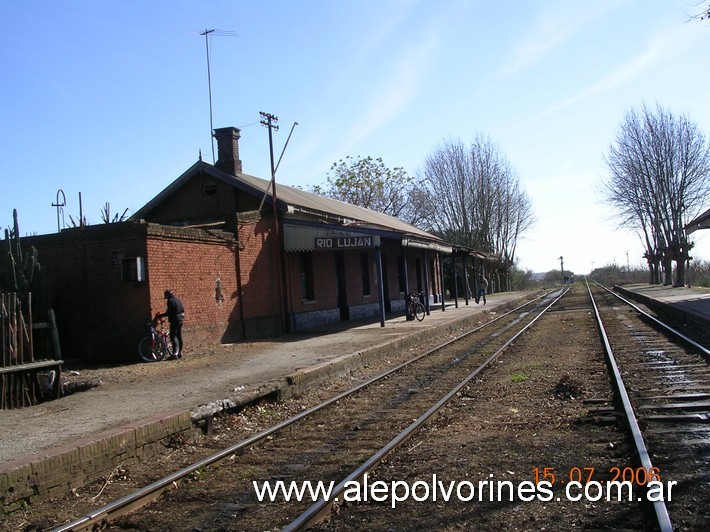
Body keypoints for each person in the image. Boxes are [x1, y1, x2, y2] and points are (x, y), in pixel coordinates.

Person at [157, 290, 185, 359]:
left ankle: (174, 354)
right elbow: (182, 310)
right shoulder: (178, 300)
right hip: (180, 319)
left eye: (166, 297)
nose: (166, 298)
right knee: (179, 336)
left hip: (175, 320)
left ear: (168, 296)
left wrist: (160, 316)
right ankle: (179, 353)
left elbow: (169, 312)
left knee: (173, 336)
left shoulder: (170, 301)